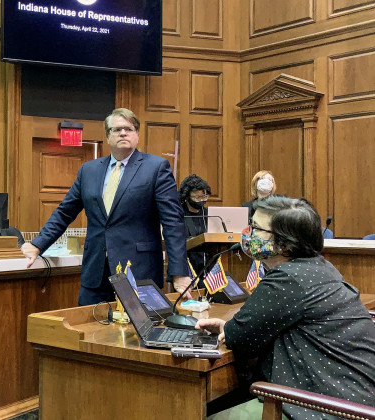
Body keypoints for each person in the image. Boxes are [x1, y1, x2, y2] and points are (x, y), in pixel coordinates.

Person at [196, 196, 375, 420]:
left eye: (255, 228)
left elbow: (238, 339)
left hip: (324, 408)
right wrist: (229, 327)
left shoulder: (288, 279)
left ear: (284, 244)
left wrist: (231, 329)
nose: (247, 233)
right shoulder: (320, 268)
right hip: (356, 400)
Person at [21, 108, 192, 305]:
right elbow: (64, 212)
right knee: (89, 329)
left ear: (137, 134)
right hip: (95, 273)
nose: (123, 133)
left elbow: (173, 223)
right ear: (108, 136)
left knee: (138, 334)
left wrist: (179, 272)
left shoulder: (156, 167)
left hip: (139, 272)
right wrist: (37, 244)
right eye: (117, 129)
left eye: (129, 128)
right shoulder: (89, 170)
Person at [179, 174, 211, 274]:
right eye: (197, 197)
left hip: (208, 267)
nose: (201, 200)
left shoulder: (210, 214)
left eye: (204, 197)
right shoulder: (178, 215)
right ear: (186, 197)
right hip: (186, 267)